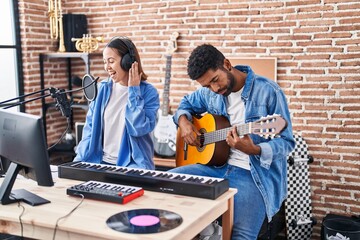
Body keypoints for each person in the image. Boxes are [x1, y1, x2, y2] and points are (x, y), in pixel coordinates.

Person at [170, 44, 295, 239]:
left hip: (253, 176)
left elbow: (287, 143)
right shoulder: (209, 92)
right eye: (207, 86)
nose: (214, 88)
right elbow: (185, 103)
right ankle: (208, 229)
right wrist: (184, 122)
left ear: (226, 64)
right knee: (164, 183)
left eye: (215, 80)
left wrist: (255, 149)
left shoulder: (269, 91)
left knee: (242, 236)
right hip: (214, 167)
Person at [74, 36, 160, 170]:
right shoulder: (102, 89)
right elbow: (89, 131)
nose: (107, 67)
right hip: (100, 164)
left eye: (111, 61)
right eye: (104, 62)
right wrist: (75, 165)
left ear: (127, 61)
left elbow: (138, 128)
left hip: (133, 167)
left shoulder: (148, 93)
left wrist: (134, 91)